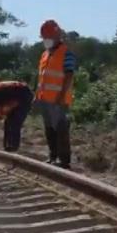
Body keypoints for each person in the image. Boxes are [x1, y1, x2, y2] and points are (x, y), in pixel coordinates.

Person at [35, 20, 76, 169]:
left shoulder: (66, 53)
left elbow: (69, 76)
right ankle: (53, 156)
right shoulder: (45, 55)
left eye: (48, 37)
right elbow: (42, 77)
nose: (46, 40)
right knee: (49, 129)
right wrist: (37, 95)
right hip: (45, 99)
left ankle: (64, 160)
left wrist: (61, 95)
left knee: (61, 129)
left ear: (57, 36)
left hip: (59, 100)